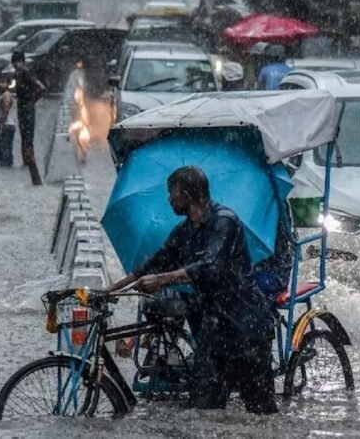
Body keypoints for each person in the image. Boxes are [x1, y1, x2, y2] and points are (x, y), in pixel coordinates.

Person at [107, 166, 278, 415]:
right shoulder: (184, 231)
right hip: (214, 331)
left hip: (246, 329)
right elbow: (152, 264)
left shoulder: (224, 222)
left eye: (171, 193)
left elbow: (210, 266)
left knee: (261, 414)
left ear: (186, 194)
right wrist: (110, 290)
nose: (169, 199)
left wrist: (161, 280)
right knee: (203, 411)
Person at [12, 51, 45, 185]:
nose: (15, 65)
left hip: (27, 107)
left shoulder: (26, 73)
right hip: (22, 107)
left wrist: (31, 100)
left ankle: (29, 162)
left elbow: (41, 87)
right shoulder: (17, 74)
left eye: (17, 62)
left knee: (28, 136)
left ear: (22, 62)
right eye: (14, 62)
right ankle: (26, 162)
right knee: (24, 135)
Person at [0, 77, 16, 167]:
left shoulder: (6, 94)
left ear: (8, 84)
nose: (0, 85)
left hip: (6, 126)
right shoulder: (3, 95)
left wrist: (2, 124)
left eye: (3, 82)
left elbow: (6, 109)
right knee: (5, 150)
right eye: (0, 82)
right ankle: (7, 167)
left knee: (4, 150)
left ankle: (6, 167)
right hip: (6, 125)